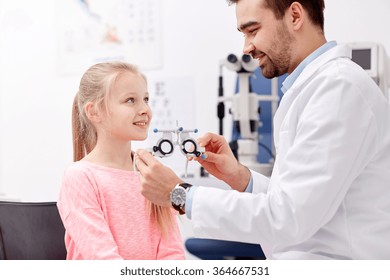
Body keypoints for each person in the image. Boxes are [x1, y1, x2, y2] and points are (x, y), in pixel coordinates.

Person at [134, 0, 390, 259]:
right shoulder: (313, 89)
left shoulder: (339, 88)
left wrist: (179, 195)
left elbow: (289, 217)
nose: (247, 48)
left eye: (253, 30)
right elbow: (302, 202)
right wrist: (241, 178)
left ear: (295, 16)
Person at [57, 61, 185, 260]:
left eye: (146, 99)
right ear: (94, 112)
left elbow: (172, 253)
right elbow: (103, 259)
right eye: (130, 100)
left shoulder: (152, 173)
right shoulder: (80, 177)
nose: (145, 109)